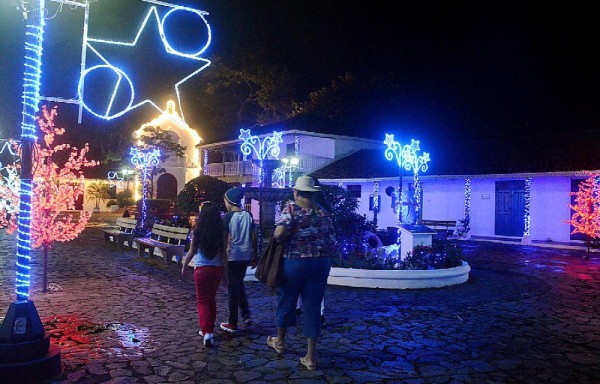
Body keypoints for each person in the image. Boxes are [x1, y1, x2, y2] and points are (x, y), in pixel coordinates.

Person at [267, 175, 336, 371]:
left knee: (286, 300)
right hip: (320, 263)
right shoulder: (324, 213)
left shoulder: (291, 208)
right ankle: (310, 357)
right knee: (313, 306)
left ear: (296, 192)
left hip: (295, 262)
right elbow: (332, 241)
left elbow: (279, 234)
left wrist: (280, 236)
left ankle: (279, 342)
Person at [181, 201, 227, 348]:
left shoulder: (197, 231)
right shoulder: (221, 232)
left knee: (202, 301)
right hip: (216, 269)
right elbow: (224, 254)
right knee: (211, 299)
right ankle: (210, 330)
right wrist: (225, 275)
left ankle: (206, 331)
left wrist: (184, 266)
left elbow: (191, 251)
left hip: (201, 269)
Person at [220, 187, 257, 333]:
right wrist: (255, 254)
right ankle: (246, 315)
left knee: (232, 289)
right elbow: (253, 236)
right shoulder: (248, 215)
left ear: (229, 201)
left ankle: (232, 322)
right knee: (238, 284)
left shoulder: (227, 217)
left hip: (232, 256)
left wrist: (222, 256)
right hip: (245, 255)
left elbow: (224, 239)